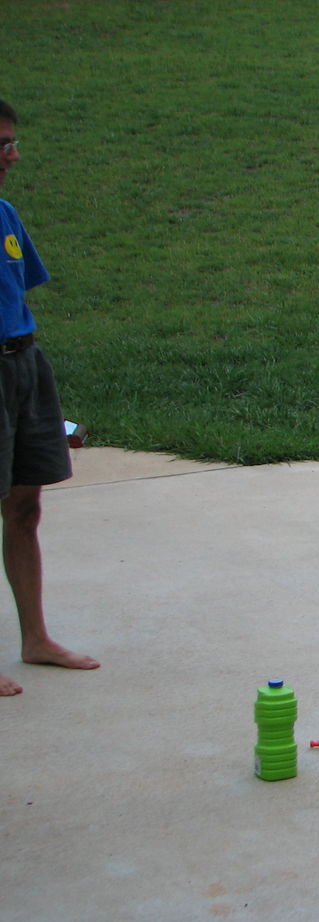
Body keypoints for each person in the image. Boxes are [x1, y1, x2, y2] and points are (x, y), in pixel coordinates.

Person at [0, 99, 98, 696]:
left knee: (25, 505)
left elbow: (21, 289)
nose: (12, 155)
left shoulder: (5, 214)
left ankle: (34, 639)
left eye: (11, 143)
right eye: (2, 146)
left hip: (23, 362)